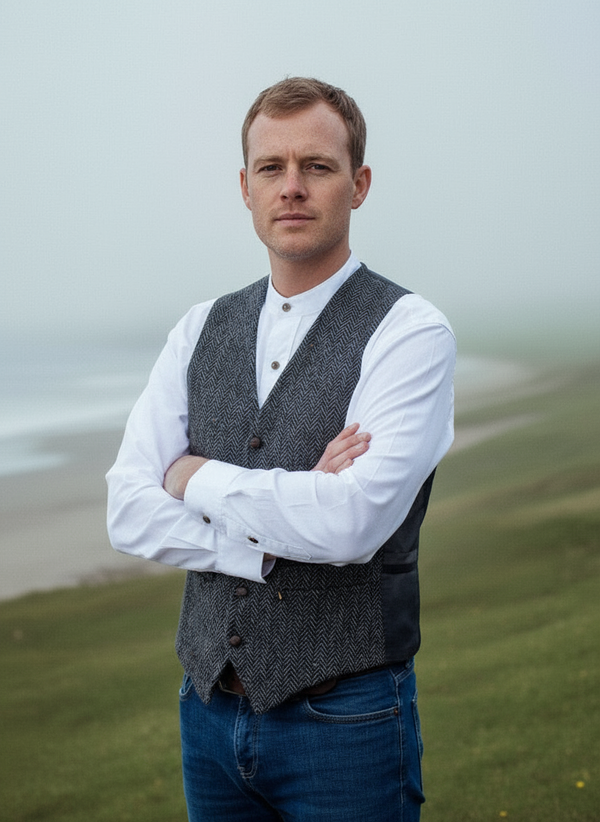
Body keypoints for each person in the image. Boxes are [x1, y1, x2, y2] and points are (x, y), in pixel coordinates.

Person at [106, 77, 455, 822]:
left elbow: (351, 525)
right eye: (271, 168)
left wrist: (191, 474)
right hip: (204, 708)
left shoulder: (410, 332)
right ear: (245, 187)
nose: (291, 188)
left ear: (358, 185)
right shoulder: (201, 327)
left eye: (317, 167)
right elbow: (126, 511)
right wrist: (267, 538)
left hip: (348, 718)